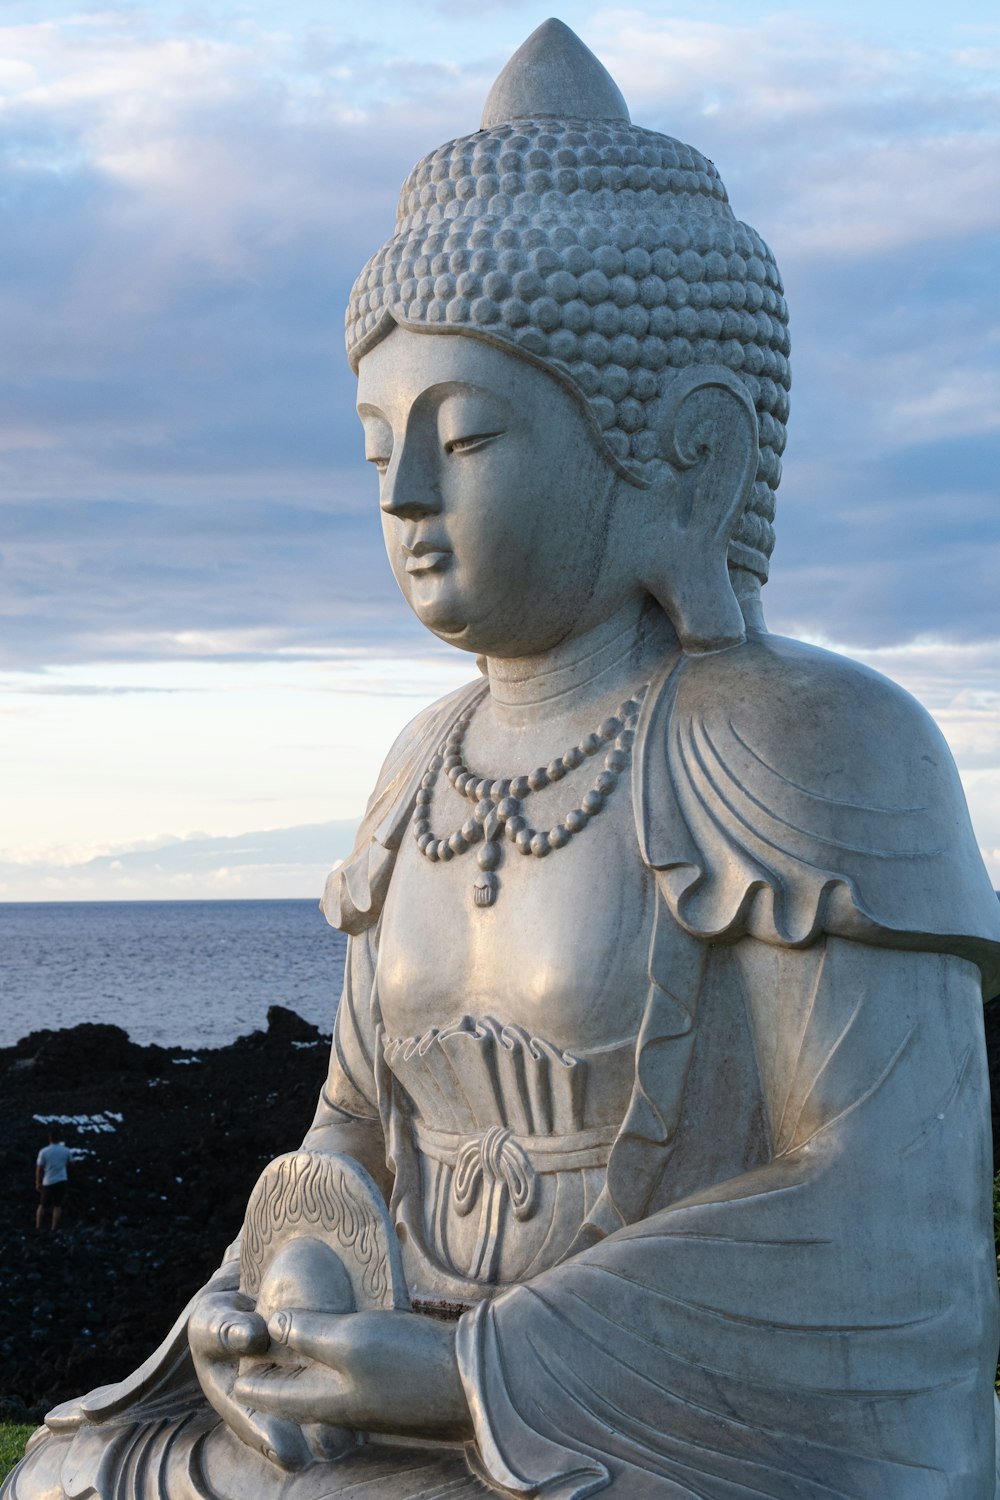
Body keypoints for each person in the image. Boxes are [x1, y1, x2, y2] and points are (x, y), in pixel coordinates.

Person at [6, 20, 1000, 1500]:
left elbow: (894, 1226)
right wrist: (264, 1299)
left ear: (689, 453)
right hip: (412, 1391)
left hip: (681, 1431)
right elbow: (349, 1131)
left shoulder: (810, 740)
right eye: (374, 448)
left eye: (462, 439)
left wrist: (478, 1372)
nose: (403, 496)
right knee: (84, 1470)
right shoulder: (420, 766)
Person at [35, 1128, 72, 1232]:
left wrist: (38, 1182)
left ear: (49, 1139)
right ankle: (53, 1228)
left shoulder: (44, 1151)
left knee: (42, 1204)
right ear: (59, 1139)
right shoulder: (66, 1150)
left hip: (48, 1181)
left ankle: (38, 1226)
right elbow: (71, 1163)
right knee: (57, 1205)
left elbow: (39, 1169)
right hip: (62, 1180)